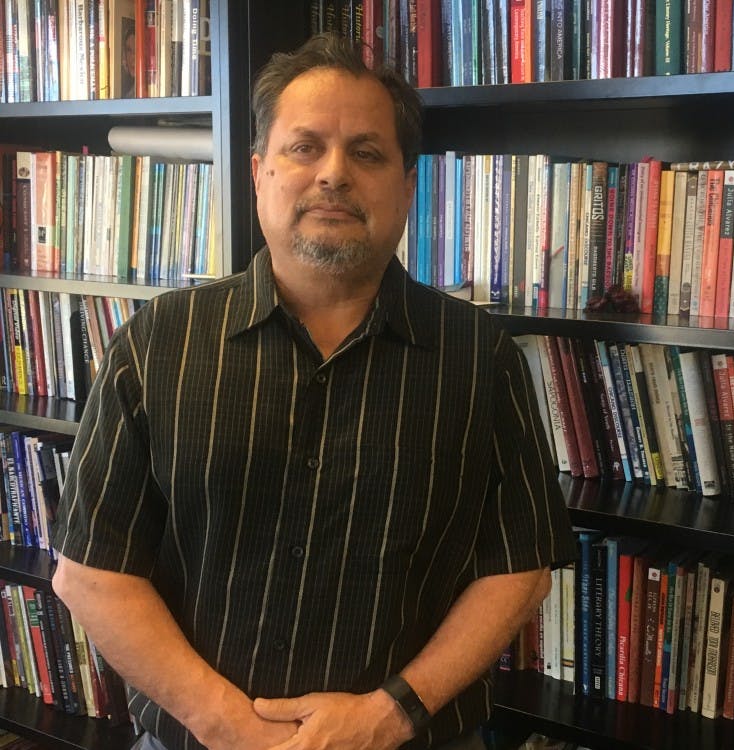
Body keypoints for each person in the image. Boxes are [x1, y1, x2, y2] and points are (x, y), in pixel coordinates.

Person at [52, 33, 576, 750]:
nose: (334, 174)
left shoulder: (481, 357)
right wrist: (228, 725)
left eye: (367, 152)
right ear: (260, 172)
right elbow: (90, 573)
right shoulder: (155, 345)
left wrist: (388, 714)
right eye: (305, 148)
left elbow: (521, 568)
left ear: (406, 184)